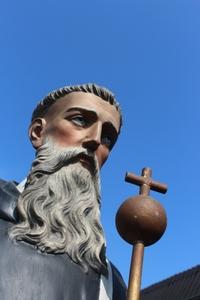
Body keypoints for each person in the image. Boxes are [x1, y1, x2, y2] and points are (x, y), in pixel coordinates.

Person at [0, 83, 126, 300]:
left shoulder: (111, 281)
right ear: (38, 132)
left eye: (107, 138)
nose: (95, 140)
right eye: (80, 120)